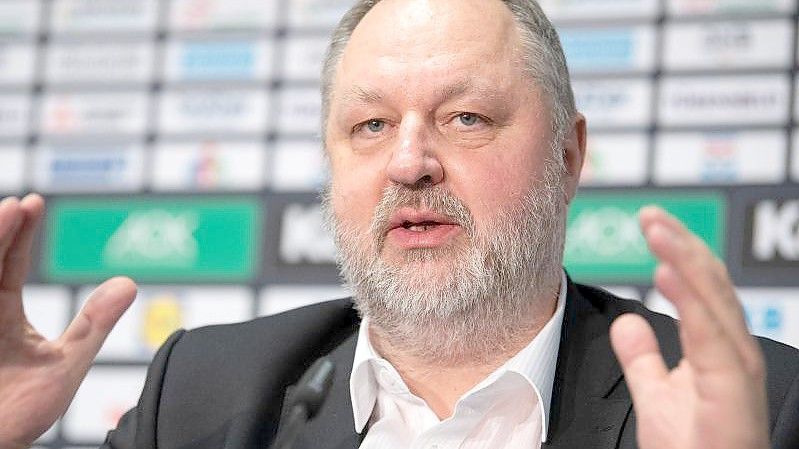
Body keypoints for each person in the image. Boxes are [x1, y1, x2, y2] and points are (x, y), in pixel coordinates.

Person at [1, 0, 798, 448]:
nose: (409, 162)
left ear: (566, 153)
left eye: (466, 116)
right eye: (371, 126)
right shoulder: (205, 394)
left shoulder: (755, 406)